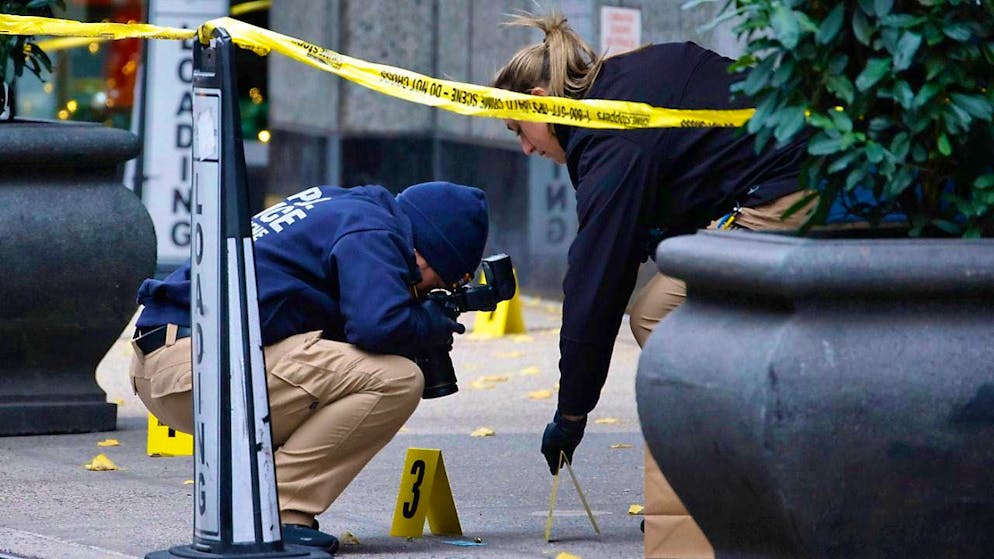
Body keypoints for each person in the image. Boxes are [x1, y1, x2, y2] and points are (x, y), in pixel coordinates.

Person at [491, 11, 813, 475]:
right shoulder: (627, 82)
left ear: (541, 102)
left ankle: (736, 474)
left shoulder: (608, 142)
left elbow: (595, 283)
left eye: (518, 128)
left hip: (787, 192)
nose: (524, 147)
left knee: (656, 313)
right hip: (799, 170)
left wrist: (571, 413)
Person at [129, 181, 489, 554]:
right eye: (438, 284)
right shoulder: (375, 233)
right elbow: (376, 325)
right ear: (425, 256)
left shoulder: (348, 207)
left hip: (171, 357)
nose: (428, 292)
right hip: (195, 367)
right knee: (396, 380)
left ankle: (254, 502)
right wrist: (426, 324)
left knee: (345, 371)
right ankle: (278, 512)